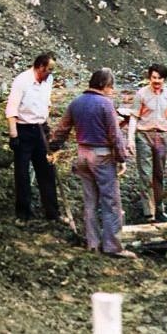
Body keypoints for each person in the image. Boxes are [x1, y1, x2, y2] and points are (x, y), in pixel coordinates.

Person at [48, 68, 135, 258]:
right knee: (110, 201)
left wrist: (53, 147)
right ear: (104, 85)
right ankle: (113, 246)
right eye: (111, 87)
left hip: (82, 155)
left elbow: (62, 129)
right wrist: (121, 158)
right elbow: (114, 135)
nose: (112, 91)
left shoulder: (76, 102)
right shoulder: (106, 104)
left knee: (89, 200)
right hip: (101, 156)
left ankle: (92, 243)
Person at [5, 53, 60, 222]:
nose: (51, 73)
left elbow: (46, 104)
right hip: (23, 129)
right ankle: (23, 214)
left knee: (47, 171)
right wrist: (14, 134)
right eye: (49, 69)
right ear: (40, 67)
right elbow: (11, 109)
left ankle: (52, 213)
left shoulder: (48, 80)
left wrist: (48, 126)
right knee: (22, 173)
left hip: (41, 129)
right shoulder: (22, 81)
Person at [127, 63, 167, 222]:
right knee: (146, 175)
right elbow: (134, 117)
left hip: (162, 136)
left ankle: (159, 208)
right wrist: (130, 139)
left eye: (159, 78)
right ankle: (148, 213)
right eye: (153, 77)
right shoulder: (141, 94)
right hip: (144, 135)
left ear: (164, 79)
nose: (156, 81)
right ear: (149, 77)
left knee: (159, 174)